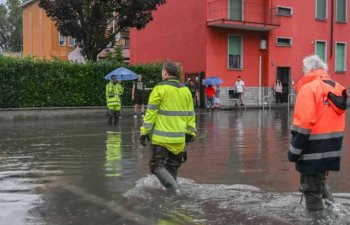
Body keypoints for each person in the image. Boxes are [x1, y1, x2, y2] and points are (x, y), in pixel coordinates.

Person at [288, 55, 347, 211]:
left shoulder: (308, 89)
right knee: (320, 183)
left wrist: (294, 152)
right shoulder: (337, 87)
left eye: (303, 69)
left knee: (311, 191)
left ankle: (317, 220)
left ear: (308, 70)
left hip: (312, 149)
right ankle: (334, 212)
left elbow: (303, 125)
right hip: (333, 148)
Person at [139, 61, 196, 193]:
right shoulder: (185, 90)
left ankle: (175, 190)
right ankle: (172, 197)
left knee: (156, 165)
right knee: (172, 167)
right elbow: (190, 114)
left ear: (165, 72)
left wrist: (144, 132)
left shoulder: (159, 88)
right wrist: (190, 134)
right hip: (179, 139)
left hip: (161, 139)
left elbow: (150, 113)